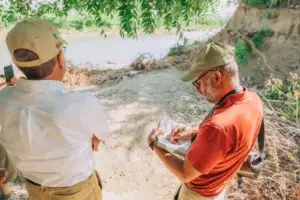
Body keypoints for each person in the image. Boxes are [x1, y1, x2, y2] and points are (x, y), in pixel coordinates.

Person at [0, 18, 109, 200]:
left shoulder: (3, 99)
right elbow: (101, 136)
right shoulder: (80, 103)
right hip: (77, 192)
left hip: (34, 189)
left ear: (17, 64)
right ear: (61, 59)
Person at [148, 42, 264, 200]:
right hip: (219, 189)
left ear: (216, 76)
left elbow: (185, 173)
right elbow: (230, 139)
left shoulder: (217, 127)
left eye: (198, 83)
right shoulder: (253, 99)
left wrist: (154, 144)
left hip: (198, 195)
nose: (198, 90)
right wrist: (195, 133)